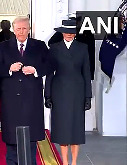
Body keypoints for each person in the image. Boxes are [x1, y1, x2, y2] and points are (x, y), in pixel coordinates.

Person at [0, 16, 52, 165]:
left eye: (24, 28)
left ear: (29, 29)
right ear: (13, 29)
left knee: (30, 140)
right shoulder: (3, 47)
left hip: (31, 99)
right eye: (18, 28)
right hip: (11, 99)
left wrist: (36, 70)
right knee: (12, 139)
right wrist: (9, 69)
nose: (21, 31)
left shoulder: (39, 46)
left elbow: (50, 65)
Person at [44, 19, 92, 165]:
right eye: (66, 32)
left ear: (75, 33)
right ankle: (65, 162)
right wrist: (48, 95)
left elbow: (86, 73)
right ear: (62, 32)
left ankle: (74, 162)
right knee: (62, 129)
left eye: (72, 32)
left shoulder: (83, 48)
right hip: (59, 93)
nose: (69, 35)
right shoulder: (54, 48)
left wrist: (87, 96)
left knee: (76, 129)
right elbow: (49, 73)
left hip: (78, 92)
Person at [48, 15, 95, 80]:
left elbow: (91, 53)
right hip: (64, 70)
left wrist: (91, 74)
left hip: (81, 68)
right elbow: (51, 43)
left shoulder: (87, 33)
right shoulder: (64, 31)